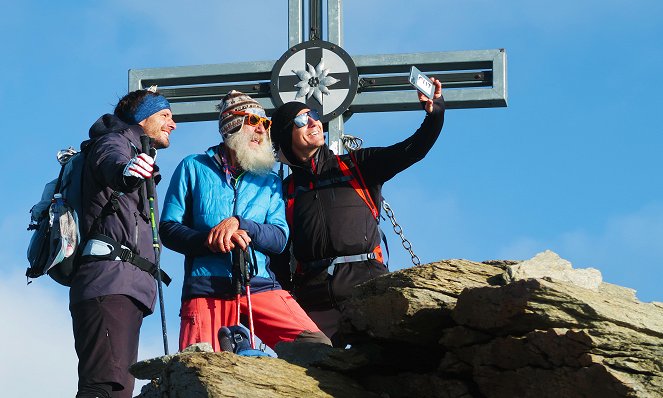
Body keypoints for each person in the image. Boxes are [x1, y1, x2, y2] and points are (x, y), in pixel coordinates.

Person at [270, 78, 445, 344]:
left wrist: (435, 115)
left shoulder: (357, 165)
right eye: (300, 120)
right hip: (315, 304)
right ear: (285, 135)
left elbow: (413, 150)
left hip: (368, 291)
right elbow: (279, 258)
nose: (313, 122)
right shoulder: (284, 192)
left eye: (314, 115)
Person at [159, 90, 331, 353]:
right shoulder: (193, 166)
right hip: (207, 287)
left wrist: (243, 225)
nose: (262, 130)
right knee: (200, 370)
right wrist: (209, 240)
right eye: (253, 121)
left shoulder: (269, 180)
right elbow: (168, 229)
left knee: (316, 346)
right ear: (231, 126)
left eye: (265, 124)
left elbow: (279, 238)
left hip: (260, 283)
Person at [70, 88, 176, 398]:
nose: (173, 123)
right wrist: (126, 172)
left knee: (116, 388)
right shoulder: (115, 142)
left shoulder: (135, 148)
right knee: (103, 385)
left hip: (123, 286)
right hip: (109, 283)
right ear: (143, 118)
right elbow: (111, 164)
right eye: (165, 115)